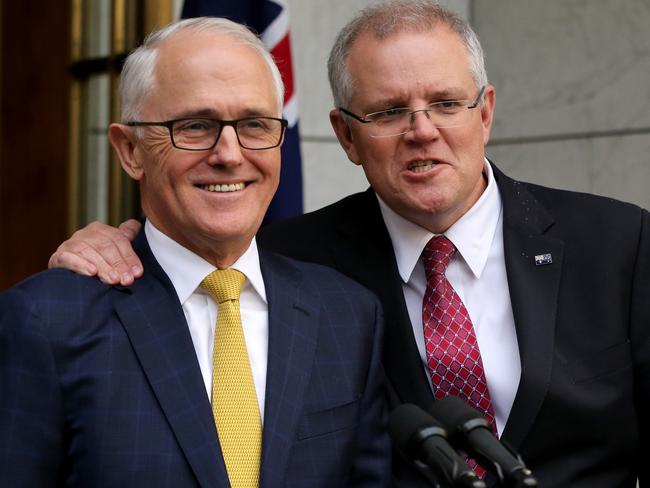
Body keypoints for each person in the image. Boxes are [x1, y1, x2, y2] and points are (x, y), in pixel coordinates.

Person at [48, 1, 650, 487]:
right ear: (345, 136)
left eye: (445, 103)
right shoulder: (289, 263)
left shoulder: (619, 244)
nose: (422, 132)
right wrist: (112, 242)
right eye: (388, 112)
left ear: (485, 113)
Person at [0, 17, 391, 488]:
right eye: (195, 126)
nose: (229, 153)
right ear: (130, 151)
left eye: (253, 125)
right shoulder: (45, 323)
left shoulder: (347, 315)